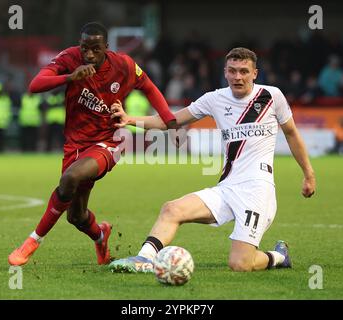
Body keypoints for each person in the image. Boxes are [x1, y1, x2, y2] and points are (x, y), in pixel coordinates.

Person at [108, 47, 316, 273]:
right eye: (233, 71)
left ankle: (278, 257)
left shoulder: (272, 96)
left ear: (255, 73)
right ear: (225, 72)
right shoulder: (214, 99)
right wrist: (129, 119)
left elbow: (292, 134)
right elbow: (171, 120)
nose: (238, 77)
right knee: (171, 209)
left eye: (244, 71)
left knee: (240, 264)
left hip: (258, 190)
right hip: (227, 187)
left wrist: (309, 174)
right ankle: (144, 259)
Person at [8, 22, 177, 266]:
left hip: (109, 141)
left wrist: (170, 121)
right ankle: (100, 235)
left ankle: (32, 241)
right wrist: (69, 77)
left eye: (95, 49)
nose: (89, 54)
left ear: (106, 48)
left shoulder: (124, 65)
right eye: (85, 48)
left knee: (69, 178)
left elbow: (149, 87)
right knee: (76, 216)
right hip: (75, 144)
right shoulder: (69, 58)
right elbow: (35, 85)